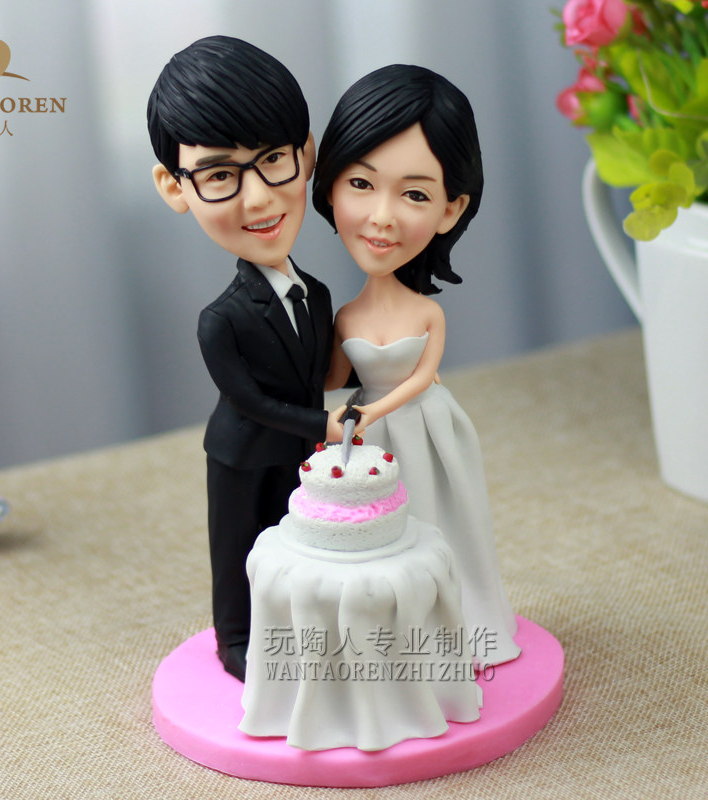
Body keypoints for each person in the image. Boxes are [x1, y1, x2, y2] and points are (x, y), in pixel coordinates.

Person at [147, 36, 344, 681]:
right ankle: (237, 641)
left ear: (306, 155)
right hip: (242, 453)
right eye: (219, 175)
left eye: (274, 160)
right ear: (175, 187)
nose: (257, 199)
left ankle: (303, 630)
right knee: (241, 548)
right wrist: (321, 424)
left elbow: (323, 371)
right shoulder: (221, 319)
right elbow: (250, 401)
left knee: (300, 542)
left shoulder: (318, 294)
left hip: (303, 450)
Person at [313, 65, 520, 667]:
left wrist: (369, 411)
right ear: (330, 185)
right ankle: (380, 643)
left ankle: (455, 630)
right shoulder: (344, 316)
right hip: (364, 441)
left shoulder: (427, 312)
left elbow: (423, 378)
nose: (382, 217)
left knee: (438, 523)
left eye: (415, 195)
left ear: (451, 209)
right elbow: (331, 381)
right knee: (373, 541)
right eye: (361, 183)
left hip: (423, 431)